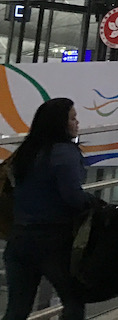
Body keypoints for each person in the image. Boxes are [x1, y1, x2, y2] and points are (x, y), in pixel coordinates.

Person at [3, 98, 92, 320]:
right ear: (59, 123)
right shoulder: (64, 153)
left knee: (17, 309)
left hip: (19, 238)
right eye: (72, 118)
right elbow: (72, 197)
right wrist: (94, 204)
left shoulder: (25, 152)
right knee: (73, 302)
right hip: (54, 241)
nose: (77, 123)